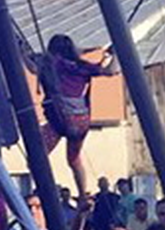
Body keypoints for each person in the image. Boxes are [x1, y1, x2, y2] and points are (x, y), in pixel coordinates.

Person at [32, 35, 118, 195]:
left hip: (59, 119)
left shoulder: (50, 62)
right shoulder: (80, 67)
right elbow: (111, 71)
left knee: (37, 155)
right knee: (74, 159)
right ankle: (82, 193)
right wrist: (116, 54)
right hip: (80, 122)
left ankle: (46, 189)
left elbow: (32, 66)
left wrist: (20, 51)